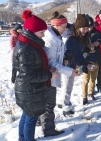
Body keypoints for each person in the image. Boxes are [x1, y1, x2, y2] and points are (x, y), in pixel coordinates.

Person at [11, 9, 58, 141]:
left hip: (28, 89)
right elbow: (29, 75)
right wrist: (49, 74)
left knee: (26, 115)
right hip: (29, 89)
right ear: (32, 31)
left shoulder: (29, 44)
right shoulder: (27, 48)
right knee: (31, 119)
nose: (43, 35)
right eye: (41, 32)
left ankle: (22, 138)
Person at [39, 11, 79, 137]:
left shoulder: (56, 37)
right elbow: (52, 62)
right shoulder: (51, 40)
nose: (65, 29)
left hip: (51, 75)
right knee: (49, 104)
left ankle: (41, 122)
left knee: (45, 102)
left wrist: (63, 60)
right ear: (56, 26)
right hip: (49, 76)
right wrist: (69, 70)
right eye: (64, 26)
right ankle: (48, 129)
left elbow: (55, 58)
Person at [63, 14, 96, 106]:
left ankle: (66, 103)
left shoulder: (81, 37)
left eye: (87, 28)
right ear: (77, 28)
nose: (86, 30)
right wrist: (87, 64)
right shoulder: (72, 40)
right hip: (67, 64)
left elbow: (81, 51)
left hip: (73, 63)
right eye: (83, 28)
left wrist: (88, 49)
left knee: (69, 86)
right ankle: (65, 106)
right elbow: (77, 55)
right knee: (67, 87)